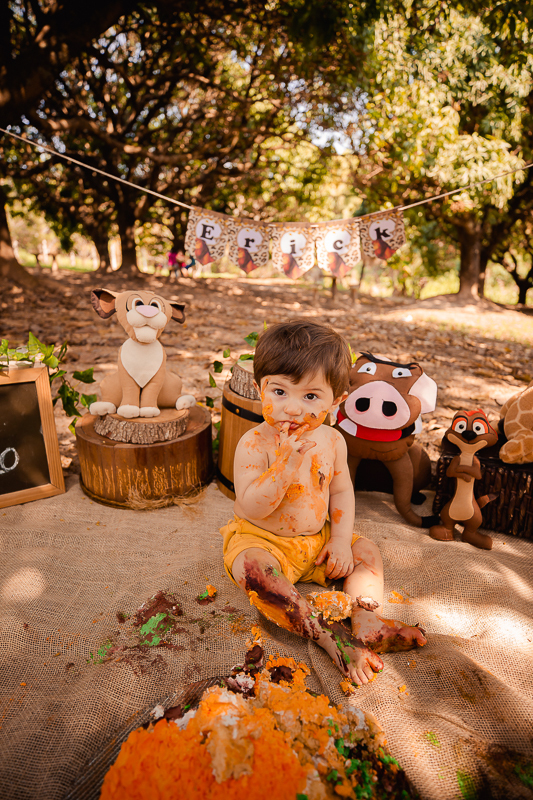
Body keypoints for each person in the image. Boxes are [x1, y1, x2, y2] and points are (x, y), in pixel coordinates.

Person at [221, 321, 426, 686]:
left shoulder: (333, 441)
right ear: (259, 388)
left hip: (317, 542)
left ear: (336, 401)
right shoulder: (254, 443)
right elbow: (251, 508)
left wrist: (338, 540)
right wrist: (285, 465)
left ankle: (367, 620)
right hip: (264, 540)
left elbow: (341, 491)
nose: (293, 409)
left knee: (366, 553)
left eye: (311, 397)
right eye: (280, 391)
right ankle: (329, 636)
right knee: (253, 571)